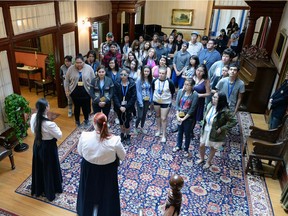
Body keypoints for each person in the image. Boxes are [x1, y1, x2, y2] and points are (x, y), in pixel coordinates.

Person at [76, 112, 126, 216]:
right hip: (107, 172)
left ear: (94, 123)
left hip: (88, 170)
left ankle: (85, 211)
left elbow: (80, 152)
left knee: (87, 191)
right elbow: (123, 156)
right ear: (106, 124)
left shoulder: (84, 136)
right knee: (107, 193)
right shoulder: (115, 140)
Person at [30, 98, 63, 201]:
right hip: (48, 147)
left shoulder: (34, 117)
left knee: (39, 165)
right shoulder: (49, 124)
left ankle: (40, 187)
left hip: (37, 144)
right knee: (49, 167)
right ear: (46, 108)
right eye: (48, 104)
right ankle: (52, 188)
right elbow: (59, 135)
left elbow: (32, 130)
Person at [197, 92, 237, 169]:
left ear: (220, 100)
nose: (213, 99)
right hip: (206, 129)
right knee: (201, 145)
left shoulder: (225, 111)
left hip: (215, 132)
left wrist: (222, 128)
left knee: (213, 147)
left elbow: (234, 121)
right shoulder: (210, 105)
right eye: (213, 97)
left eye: (215, 98)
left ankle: (208, 162)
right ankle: (202, 158)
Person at [65, 54, 95, 126]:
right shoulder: (71, 69)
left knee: (86, 107)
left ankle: (86, 120)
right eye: (77, 62)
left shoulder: (89, 68)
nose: (78, 64)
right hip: (75, 91)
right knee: (77, 107)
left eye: (80, 62)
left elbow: (93, 79)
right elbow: (66, 81)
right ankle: (77, 121)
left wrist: (93, 91)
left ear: (83, 62)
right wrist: (67, 91)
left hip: (86, 91)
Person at [172, 79, 198, 157]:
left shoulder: (194, 95)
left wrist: (184, 118)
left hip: (188, 117)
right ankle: (178, 145)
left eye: (188, 85)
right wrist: (177, 116)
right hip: (180, 115)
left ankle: (186, 149)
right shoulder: (180, 92)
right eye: (185, 84)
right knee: (180, 131)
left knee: (187, 133)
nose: (185, 86)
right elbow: (177, 105)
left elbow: (192, 109)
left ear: (192, 86)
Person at [152, 66, 175, 143]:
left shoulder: (170, 82)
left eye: (163, 73)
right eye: (160, 73)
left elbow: (172, 91)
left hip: (166, 102)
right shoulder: (155, 81)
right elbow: (153, 89)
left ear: (166, 74)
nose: (161, 75)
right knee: (157, 115)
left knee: (163, 118)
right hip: (156, 101)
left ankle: (164, 135)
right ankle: (159, 130)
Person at [113, 68, 137, 145]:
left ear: (128, 75)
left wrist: (126, 107)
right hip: (119, 106)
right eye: (121, 74)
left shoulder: (132, 84)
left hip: (128, 107)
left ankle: (128, 135)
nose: (122, 76)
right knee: (120, 120)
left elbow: (133, 97)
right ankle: (122, 134)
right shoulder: (117, 83)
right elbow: (115, 96)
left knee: (127, 122)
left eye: (124, 75)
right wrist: (120, 106)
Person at [135, 66, 153, 134]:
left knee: (144, 115)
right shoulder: (139, 79)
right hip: (141, 100)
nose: (146, 73)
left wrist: (150, 99)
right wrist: (140, 101)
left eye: (148, 71)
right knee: (140, 115)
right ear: (143, 71)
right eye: (145, 71)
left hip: (147, 100)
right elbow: (138, 91)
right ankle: (136, 127)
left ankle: (142, 127)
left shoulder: (150, 79)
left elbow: (151, 89)